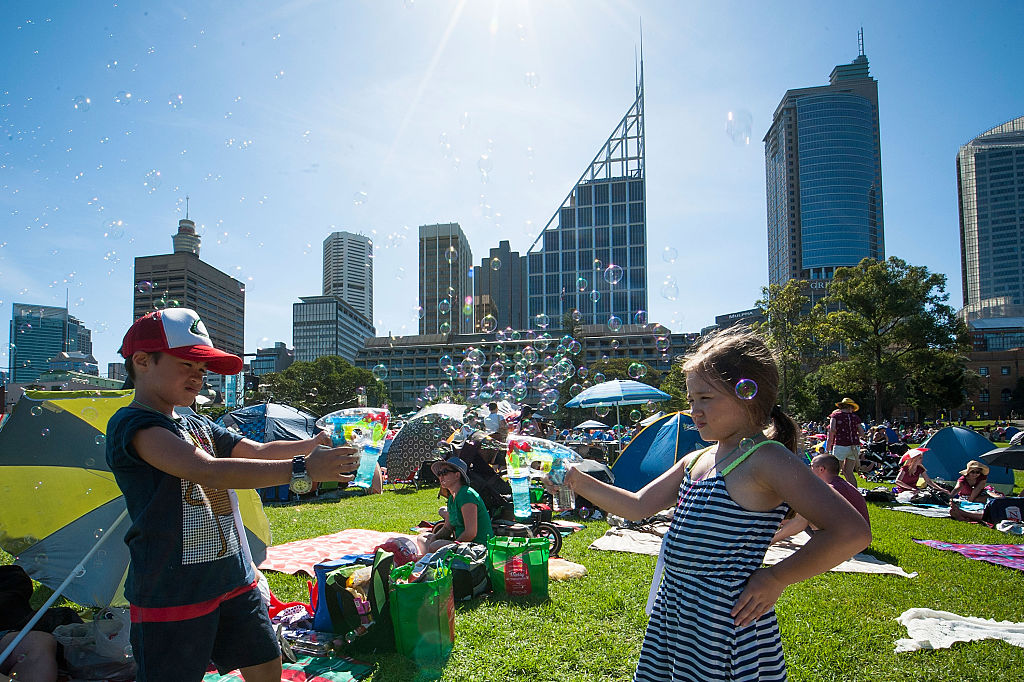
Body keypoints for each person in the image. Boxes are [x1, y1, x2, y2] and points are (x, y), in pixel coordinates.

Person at [549, 328, 871, 681]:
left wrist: (777, 577)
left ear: (748, 394)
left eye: (705, 398)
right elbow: (637, 506)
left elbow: (851, 531)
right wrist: (576, 479)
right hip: (677, 608)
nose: (694, 410)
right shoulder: (697, 458)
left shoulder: (765, 458)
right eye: (690, 399)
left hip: (723, 620)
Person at [106, 308, 359, 682]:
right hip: (171, 587)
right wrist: (302, 470)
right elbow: (204, 468)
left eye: (203, 367)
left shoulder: (194, 420)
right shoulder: (135, 424)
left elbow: (255, 451)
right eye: (187, 363)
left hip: (232, 575)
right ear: (142, 361)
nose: (198, 374)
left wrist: (312, 444)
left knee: (265, 664)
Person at [772, 454, 871, 544]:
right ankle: (775, 535)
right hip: (857, 538)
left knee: (804, 516)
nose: (809, 470)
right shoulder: (840, 485)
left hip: (851, 541)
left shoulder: (831, 490)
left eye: (811, 466)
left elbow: (803, 518)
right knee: (801, 514)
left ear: (821, 469)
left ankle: (771, 540)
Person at [420, 457, 494, 552]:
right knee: (423, 538)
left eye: (445, 472)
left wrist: (453, 546)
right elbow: (447, 528)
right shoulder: (452, 498)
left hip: (478, 547)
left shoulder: (466, 494)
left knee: (434, 546)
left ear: (457, 475)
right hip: (463, 543)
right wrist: (435, 537)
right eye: (439, 473)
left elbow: (471, 533)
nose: (441, 477)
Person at [826, 397, 866, 485]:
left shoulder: (835, 416)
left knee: (835, 472)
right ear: (850, 407)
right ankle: (854, 493)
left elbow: (832, 429)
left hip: (841, 445)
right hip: (855, 446)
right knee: (849, 472)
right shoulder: (855, 417)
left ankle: (835, 490)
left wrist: (839, 434)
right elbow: (862, 433)